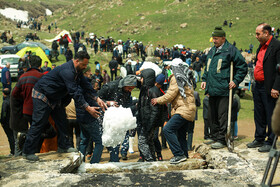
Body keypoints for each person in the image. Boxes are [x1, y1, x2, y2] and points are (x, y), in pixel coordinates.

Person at [22, 51, 106, 161]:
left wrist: (97, 98)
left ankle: (63, 146)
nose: (85, 67)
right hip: (42, 95)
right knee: (39, 123)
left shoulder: (77, 71)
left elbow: (85, 85)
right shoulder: (68, 71)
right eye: (84, 64)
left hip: (55, 98)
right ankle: (27, 151)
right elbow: (74, 92)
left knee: (62, 122)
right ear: (76, 61)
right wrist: (87, 107)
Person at [201, 26, 247, 149]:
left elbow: (242, 67)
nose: (214, 41)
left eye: (216, 39)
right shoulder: (212, 50)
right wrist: (204, 79)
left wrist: (236, 80)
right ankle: (215, 137)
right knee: (212, 115)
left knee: (222, 116)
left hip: (224, 89)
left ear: (223, 38)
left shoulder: (231, 50)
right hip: (212, 89)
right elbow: (208, 68)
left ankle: (222, 139)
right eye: (213, 39)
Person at [151, 58, 196, 164]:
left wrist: (157, 100)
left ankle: (178, 154)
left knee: (167, 129)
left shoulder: (176, 77)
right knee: (181, 134)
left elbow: (170, 95)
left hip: (183, 109)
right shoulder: (186, 77)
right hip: (189, 109)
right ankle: (184, 154)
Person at [247, 23, 280, 152]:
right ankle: (259, 138)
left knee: (270, 113)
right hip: (258, 85)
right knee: (259, 113)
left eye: (258, 34)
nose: (256, 36)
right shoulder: (260, 47)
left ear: (266, 33)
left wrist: (276, 87)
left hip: (270, 86)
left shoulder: (277, 46)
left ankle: (270, 141)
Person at [98, 75, 138, 162]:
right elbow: (96, 98)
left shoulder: (126, 91)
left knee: (117, 137)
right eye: (129, 88)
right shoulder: (110, 87)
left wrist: (132, 107)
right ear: (125, 84)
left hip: (118, 118)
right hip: (105, 117)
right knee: (103, 139)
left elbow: (126, 104)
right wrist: (107, 103)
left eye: (132, 89)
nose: (130, 90)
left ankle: (114, 158)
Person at [11, 55, 44, 156]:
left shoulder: (23, 76)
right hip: (38, 109)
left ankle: (25, 151)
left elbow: (14, 93)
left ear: (30, 64)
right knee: (38, 131)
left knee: (28, 132)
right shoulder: (41, 77)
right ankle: (32, 151)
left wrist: (24, 97)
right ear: (40, 65)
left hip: (25, 110)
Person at [77, 66, 103, 163]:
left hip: (81, 116)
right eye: (89, 71)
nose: (91, 73)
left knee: (84, 140)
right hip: (88, 116)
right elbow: (89, 100)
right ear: (85, 73)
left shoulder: (78, 83)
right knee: (99, 142)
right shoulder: (86, 84)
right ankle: (94, 163)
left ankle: (80, 162)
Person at [1, 88, 15, 156]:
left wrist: (2, 122)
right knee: (14, 136)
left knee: (10, 137)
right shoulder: (13, 100)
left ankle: (13, 152)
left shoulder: (5, 102)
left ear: (3, 94)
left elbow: (4, 113)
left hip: (7, 122)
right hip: (14, 120)